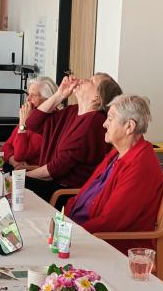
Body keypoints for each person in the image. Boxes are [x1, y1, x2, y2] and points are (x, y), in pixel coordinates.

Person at [65, 94, 163, 255]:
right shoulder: (117, 154)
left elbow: (110, 221)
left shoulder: (140, 166)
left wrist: (71, 234)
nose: (104, 124)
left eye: (110, 119)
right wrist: (63, 221)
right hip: (83, 233)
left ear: (129, 126)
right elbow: (85, 193)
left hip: (109, 246)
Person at [24, 72, 122, 200]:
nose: (83, 80)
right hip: (50, 183)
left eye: (91, 81)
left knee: (9, 184)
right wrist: (60, 94)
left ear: (97, 98)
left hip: (64, 194)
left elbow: (56, 169)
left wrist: (20, 177)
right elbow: (32, 123)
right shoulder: (73, 111)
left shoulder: (95, 122)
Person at [0, 76, 58, 170]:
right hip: (18, 170)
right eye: (28, 94)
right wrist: (13, 161)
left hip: (35, 174)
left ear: (48, 100)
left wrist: (22, 124)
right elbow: (6, 146)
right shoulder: (31, 115)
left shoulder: (51, 123)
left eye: (33, 95)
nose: (28, 99)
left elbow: (19, 155)